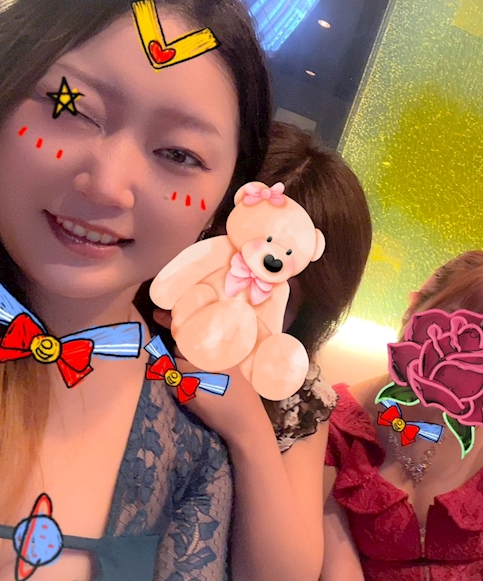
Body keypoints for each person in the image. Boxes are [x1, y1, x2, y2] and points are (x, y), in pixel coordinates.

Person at [0, 1, 270, 580]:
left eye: (178, 154)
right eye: (70, 107)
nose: (108, 186)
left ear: (222, 205)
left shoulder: (193, 443)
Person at [150, 121, 373, 581]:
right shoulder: (113, 330)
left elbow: (284, 574)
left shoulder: (297, 391)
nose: (247, 299)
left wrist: (247, 425)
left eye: (281, 293)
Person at [322, 250, 483, 581]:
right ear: (414, 307)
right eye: (457, 327)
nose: (465, 357)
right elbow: (337, 566)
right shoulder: (335, 421)